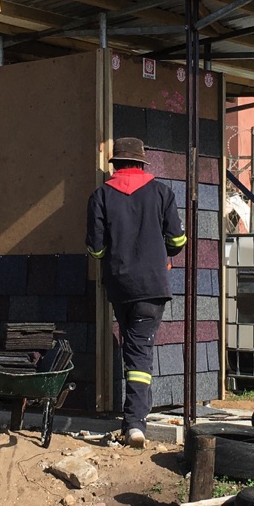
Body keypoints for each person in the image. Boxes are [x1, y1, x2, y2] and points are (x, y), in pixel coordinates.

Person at [85, 137, 186, 448]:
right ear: (142, 163)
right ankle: (134, 424)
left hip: (120, 287)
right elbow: (178, 241)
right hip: (153, 287)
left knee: (134, 348)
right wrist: (162, 250)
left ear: (115, 164)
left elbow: (95, 248)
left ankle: (134, 420)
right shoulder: (162, 192)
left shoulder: (101, 195)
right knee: (139, 351)